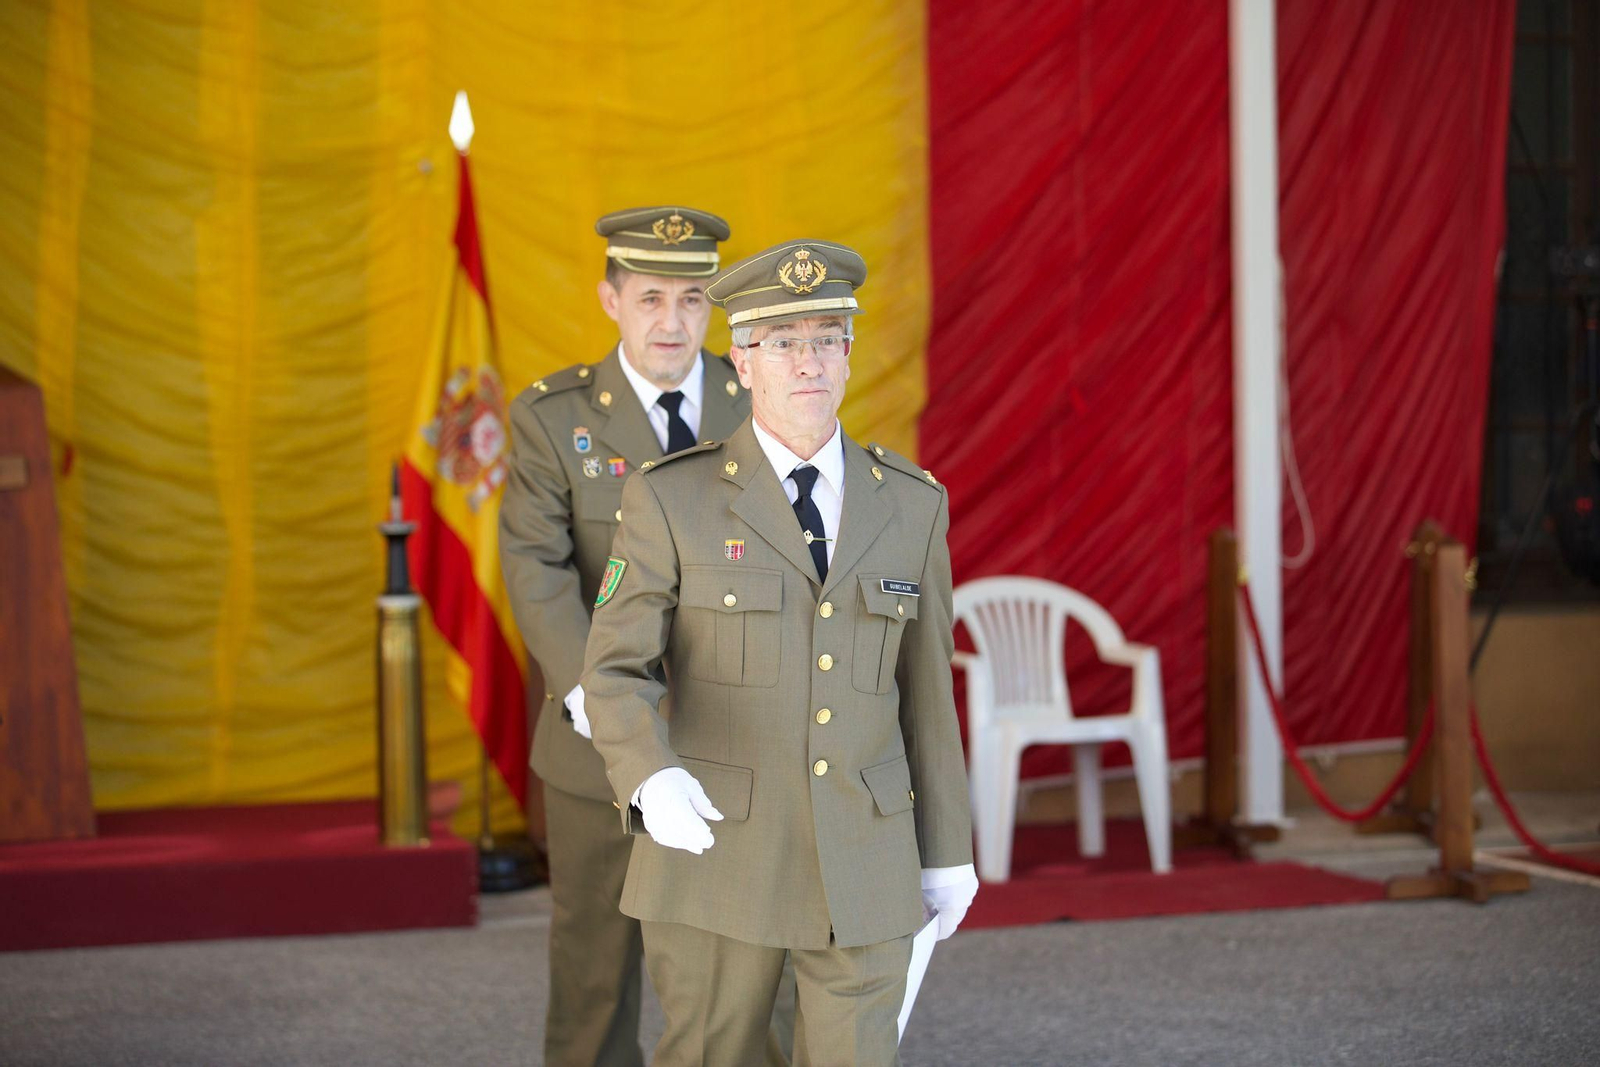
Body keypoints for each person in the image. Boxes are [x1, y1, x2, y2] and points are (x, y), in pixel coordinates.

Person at [582, 239, 979, 1066]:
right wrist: (649, 775)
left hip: (866, 858)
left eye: (827, 338)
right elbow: (616, 668)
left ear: (847, 354)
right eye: (785, 341)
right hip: (720, 856)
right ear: (744, 360)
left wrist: (948, 848)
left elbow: (927, 697)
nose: (810, 361)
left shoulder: (911, 504)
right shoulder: (672, 498)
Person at [498, 206, 751, 1067]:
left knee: (741, 970)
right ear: (611, 300)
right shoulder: (550, 418)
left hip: (731, 738)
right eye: (651, 298)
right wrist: (596, 703)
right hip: (595, 743)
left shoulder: (759, 398)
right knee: (595, 972)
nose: (672, 322)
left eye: (692, 299)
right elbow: (536, 566)